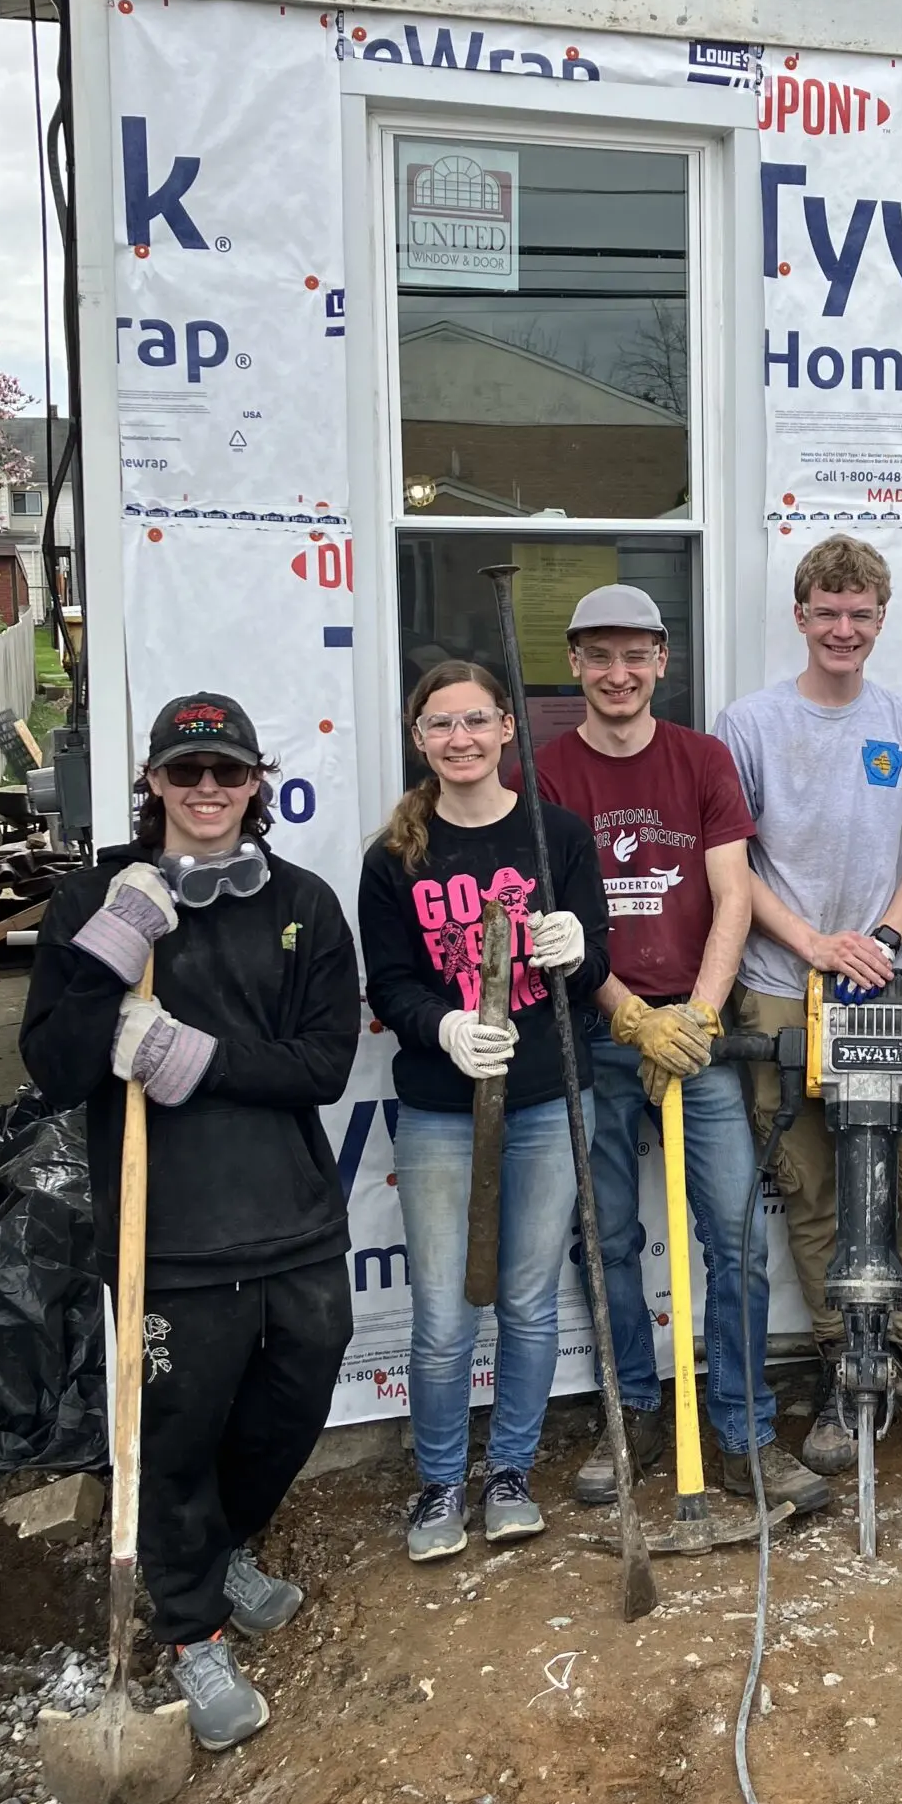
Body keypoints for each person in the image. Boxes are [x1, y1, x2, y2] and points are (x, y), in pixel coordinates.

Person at [21, 695, 360, 1751]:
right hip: (166, 1227)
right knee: (173, 1437)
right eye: (185, 773)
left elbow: (325, 1063)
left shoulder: (301, 900)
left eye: (226, 772)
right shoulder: (98, 896)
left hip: (292, 1213)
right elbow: (55, 1065)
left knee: (300, 1387)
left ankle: (231, 1544)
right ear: (154, 783)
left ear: (257, 781)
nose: (206, 791)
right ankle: (192, 1629)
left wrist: (188, 1056)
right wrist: (99, 957)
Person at [537, 584, 829, 1517]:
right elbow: (559, 922)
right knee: (607, 1241)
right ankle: (630, 1414)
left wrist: (696, 1020)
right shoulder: (546, 774)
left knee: (736, 1241)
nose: (617, 674)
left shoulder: (701, 760)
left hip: (699, 1037)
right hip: (595, 1033)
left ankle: (741, 1430)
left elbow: (732, 894)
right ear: (575, 664)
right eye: (598, 656)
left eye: (635, 655)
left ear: (663, 660)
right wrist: (629, 1016)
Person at [715, 534, 902, 1479]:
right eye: (825, 612)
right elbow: (735, 864)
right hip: (784, 993)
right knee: (813, 1190)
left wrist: (881, 943)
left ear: (880, 620)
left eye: (859, 614)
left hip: (884, 987)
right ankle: (846, 1368)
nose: (842, 629)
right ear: (800, 617)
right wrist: (812, 945)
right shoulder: (746, 724)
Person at [359, 661, 609, 1562]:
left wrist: (575, 947)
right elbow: (387, 982)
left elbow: (592, 960)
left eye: (475, 721)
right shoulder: (394, 858)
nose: (459, 739)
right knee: (442, 1312)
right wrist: (445, 1028)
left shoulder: (557, 837)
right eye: (439, 725)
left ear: (508, 728)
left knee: (531, 1304)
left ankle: (508, 1473)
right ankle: (437, 1486)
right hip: (439, 1109)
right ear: (417, 738)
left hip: (545, 1096)